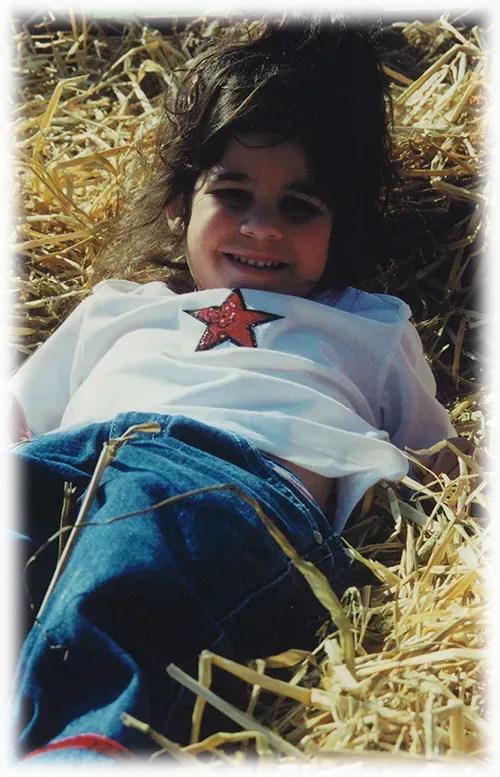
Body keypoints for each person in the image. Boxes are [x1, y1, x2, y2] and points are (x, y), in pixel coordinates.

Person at [0, 1, 468, 774]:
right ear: (184, 204)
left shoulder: (371, 327)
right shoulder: (121, 306)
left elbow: (440, 461)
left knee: (119, 602)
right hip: (71, 468)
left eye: (299, 206)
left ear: (339, 227)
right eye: (233, 194)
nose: (260, 228)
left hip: (229, 485)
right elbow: (21, 419)